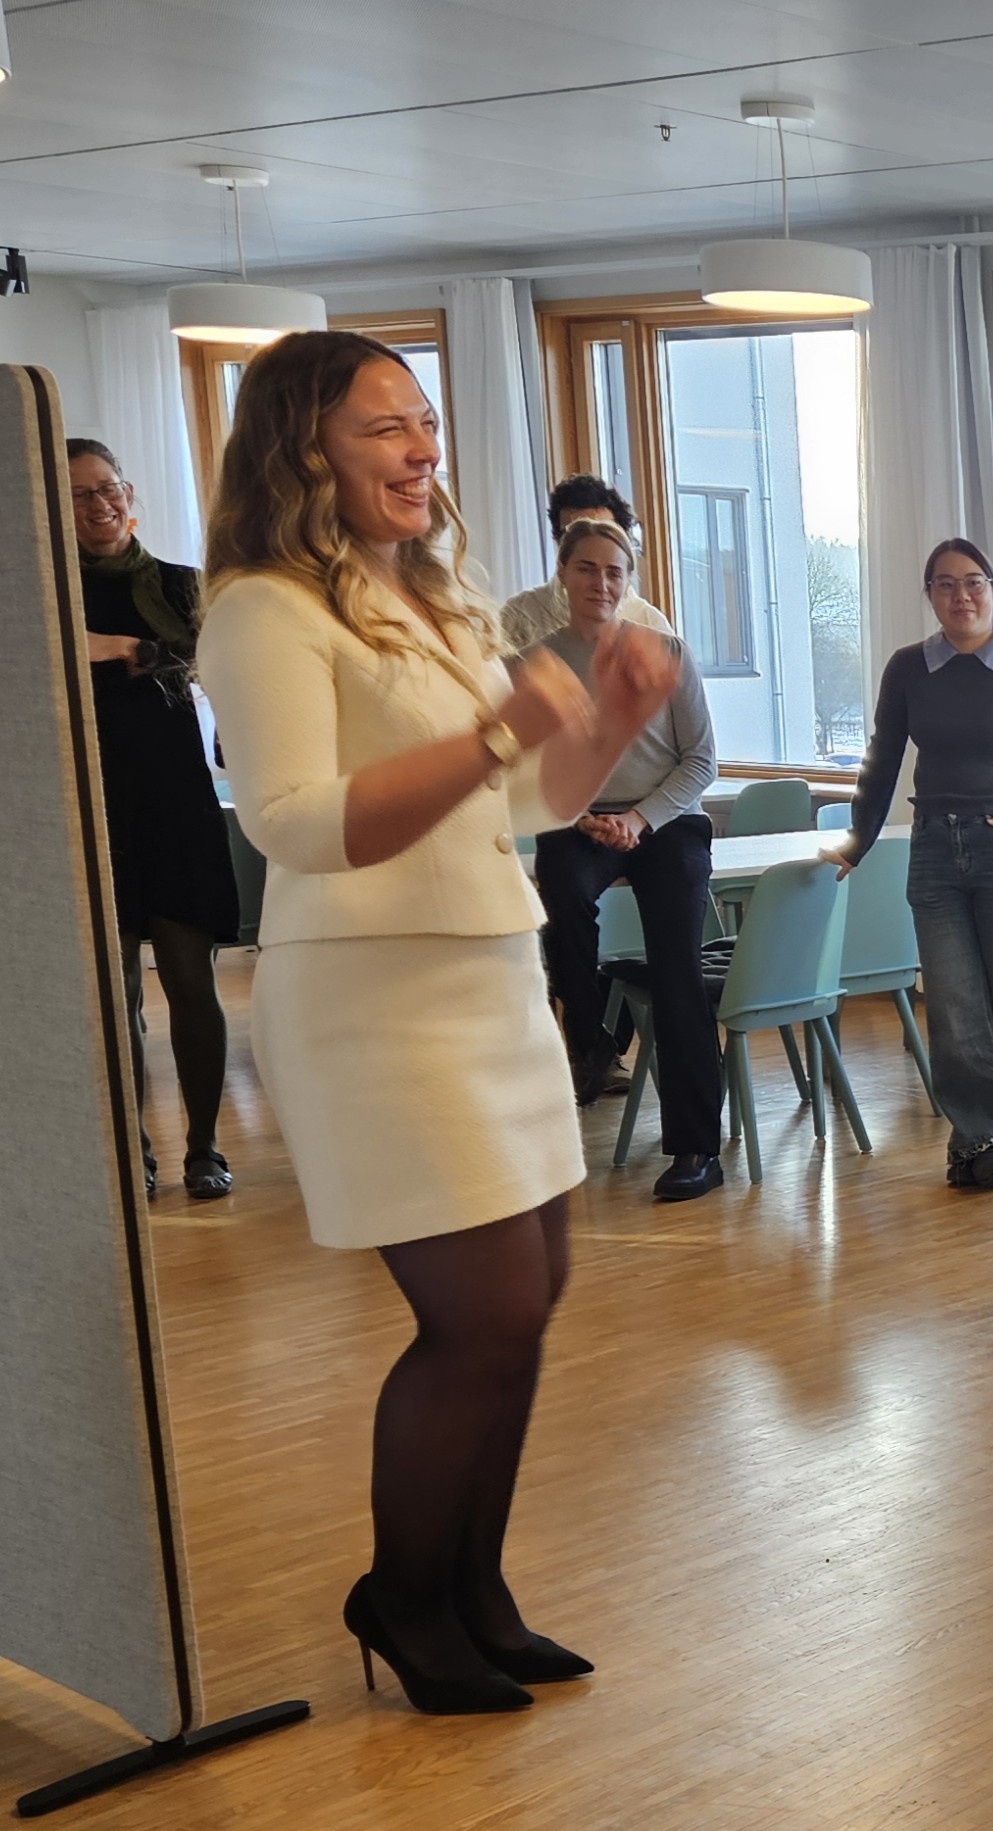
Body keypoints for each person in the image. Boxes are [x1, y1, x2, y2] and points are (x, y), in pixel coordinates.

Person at [197, 330, 679, 1714]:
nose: (422, 451)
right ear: (302, 448)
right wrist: (498, 729)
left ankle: (476, 1589)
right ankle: (404, 1595)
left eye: (424, 422)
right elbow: (294, 822)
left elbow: (526, 800)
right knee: (481, 1315)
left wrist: (606, 717)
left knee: (529, 1304)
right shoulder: (265, 609)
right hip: (373, 994)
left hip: (486, 976)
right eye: (384, 427)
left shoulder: (431, 596)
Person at [828, 538, 993, 1187]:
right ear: (931, 595)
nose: (961, 595)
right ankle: (990, 1137)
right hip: (935, 853)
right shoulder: (909, 668)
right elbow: (882, 759)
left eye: (973, 582)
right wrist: (859, 840)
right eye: (945, 584)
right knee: (952, 1005)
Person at [522, 516, 725, 1203]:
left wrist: (640, 819)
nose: (601, 583)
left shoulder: (666, 652)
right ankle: (594, 1040)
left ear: (629, 581)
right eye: (587, 568)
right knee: (561, 898)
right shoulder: (537, 663)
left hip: (665, 820)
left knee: (677, 969)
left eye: (615, 571)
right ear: (563, 574)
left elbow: (702, 760)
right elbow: (528, 765)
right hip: (579, 817)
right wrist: (580, 813)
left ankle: (697, 1147)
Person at [68, 437, 241, 1200]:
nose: (101, 504)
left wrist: (116, 648)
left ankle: (204, 1148)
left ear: (130, 493)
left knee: (191, 980)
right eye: (81, 494)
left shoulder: (181, 584)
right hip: (92, 806)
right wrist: (122, 647)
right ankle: (132, 1149)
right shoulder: (44, 593)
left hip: (176, 803)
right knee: (117, 996)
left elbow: (200, 658)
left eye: (109, 487)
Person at [495, 474, 674, 655]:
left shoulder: (650, 623)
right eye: (575, 533)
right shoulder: (520, 616)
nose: (592, 542)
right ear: (558, 541)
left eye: (604, 531)